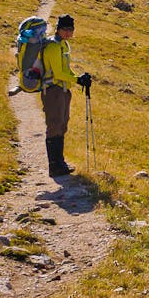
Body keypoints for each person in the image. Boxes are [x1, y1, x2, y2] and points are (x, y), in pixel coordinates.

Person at [40, 14, 91, 177]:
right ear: (58, 29)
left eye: (71, 29)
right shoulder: (53, 47)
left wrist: (78, 78)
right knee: (54, 125)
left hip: (62, 91)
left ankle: (60, 162)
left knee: (62, 125)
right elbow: (58, 73)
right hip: (53, 90)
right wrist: (76, 79)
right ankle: (54, 166)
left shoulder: (63, 45)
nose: (68, 32)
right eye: (65, 29)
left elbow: (66, 69)